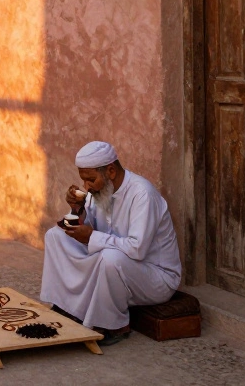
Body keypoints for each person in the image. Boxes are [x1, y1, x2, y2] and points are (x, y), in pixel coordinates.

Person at [40, 141, 182, 345]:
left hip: (156, 277)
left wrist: (90, 237)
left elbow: (137, 249)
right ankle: (67, 305)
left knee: (110, 258)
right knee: (55, 236)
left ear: (110, 171)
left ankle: (114, 325)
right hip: (115, 262)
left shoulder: (143, 194)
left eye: (90, 180)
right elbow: (88, 226)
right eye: (84, 181)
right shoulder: (99, 191)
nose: (86, 187)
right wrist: (77, 209)